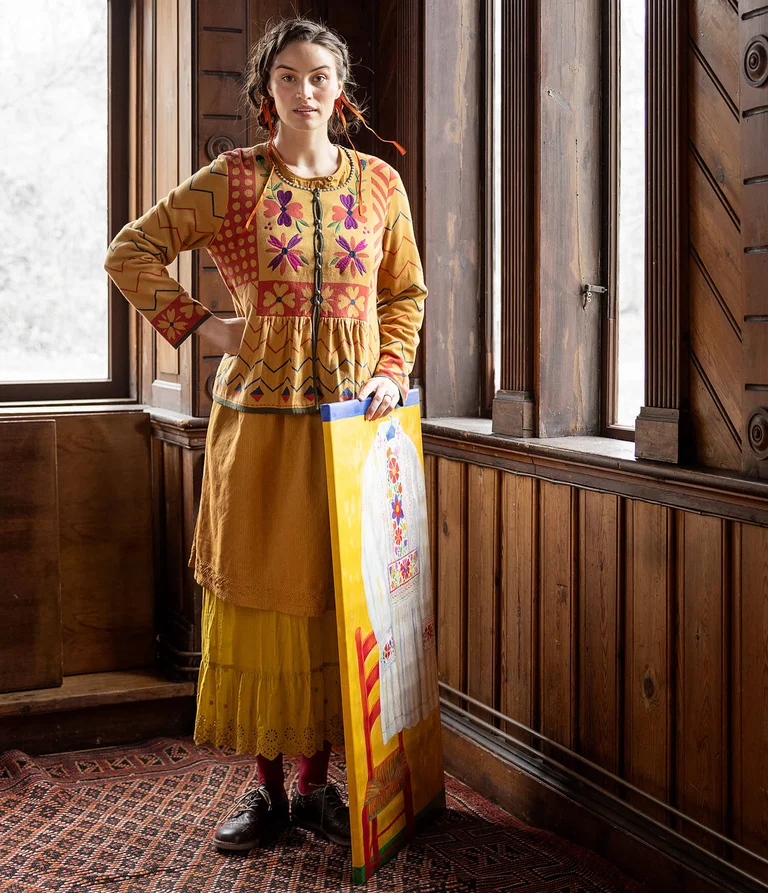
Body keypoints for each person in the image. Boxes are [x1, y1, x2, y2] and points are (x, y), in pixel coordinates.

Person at [104, 16, 427, 852]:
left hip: (350, 428)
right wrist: (199, 323)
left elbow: (405, 294)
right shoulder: (236, 180)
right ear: (265, 91)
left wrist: (392, 366)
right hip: (257, 425)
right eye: (288, 77)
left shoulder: (381, 186)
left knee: (331, 597)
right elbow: (130, 250)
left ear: (340, 88)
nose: (306, 90)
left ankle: (321, 788)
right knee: (258, 598)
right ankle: (267, 794)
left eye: (320, 76)